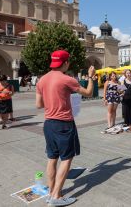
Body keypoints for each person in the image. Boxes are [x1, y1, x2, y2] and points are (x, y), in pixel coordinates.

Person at [36, 50, 95, 206]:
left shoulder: (42, 79)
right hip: (63, 123)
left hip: (48, 123)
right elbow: (89, 93)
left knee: (52, 158)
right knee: (66, 159)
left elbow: (38, 105)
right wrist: (90, 76)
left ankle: (52, 193)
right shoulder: (66, 79)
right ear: (66, 62)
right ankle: (56, 197)